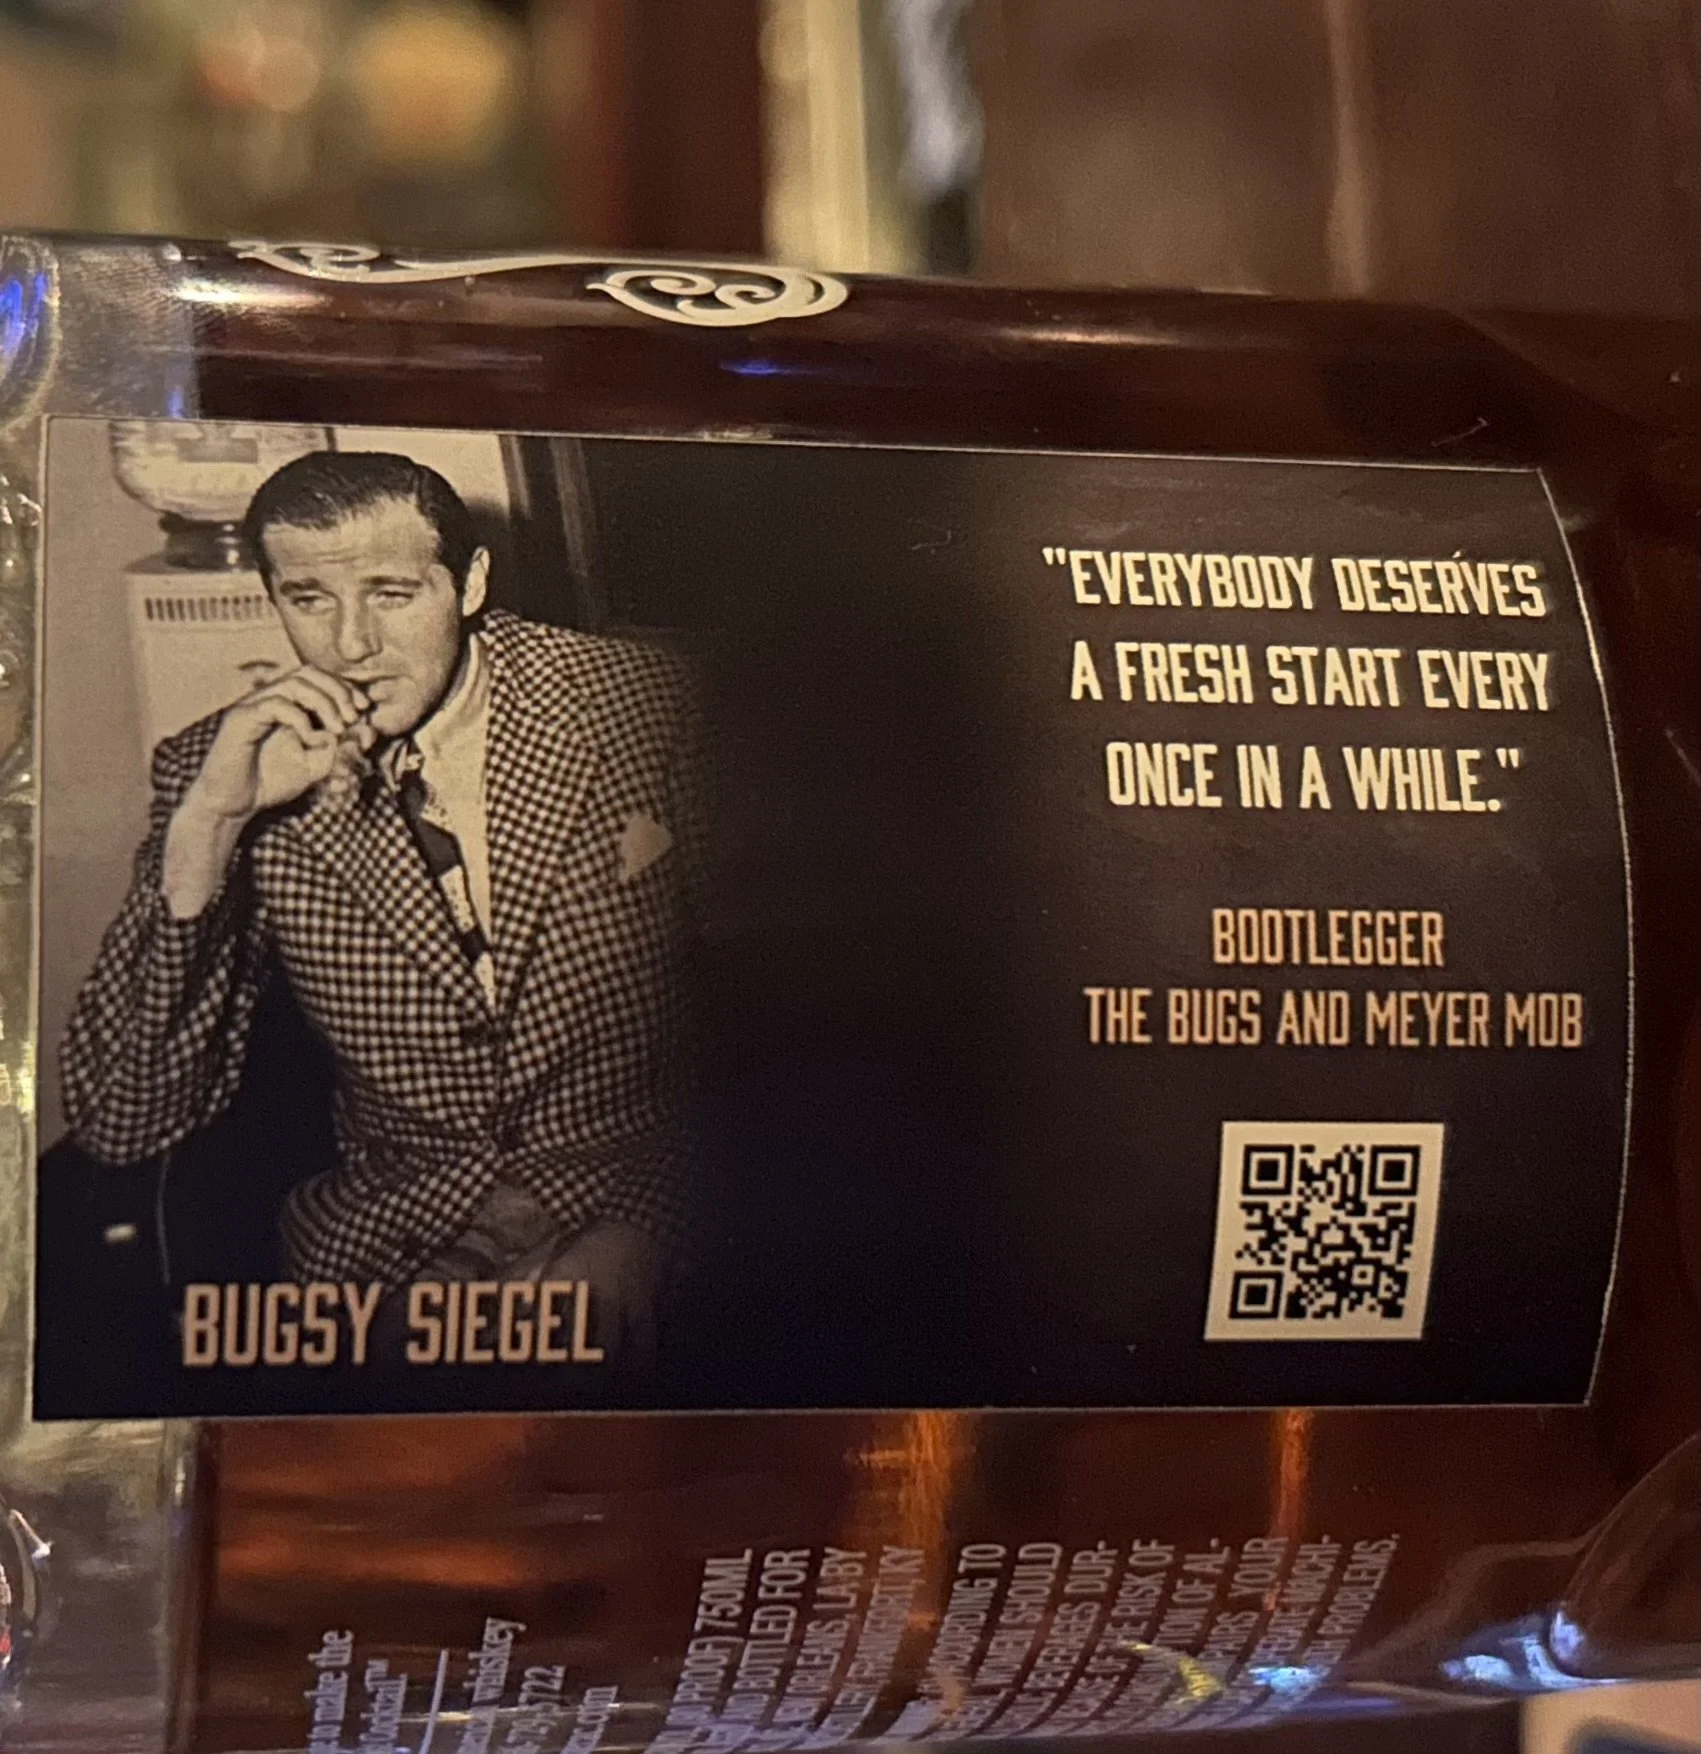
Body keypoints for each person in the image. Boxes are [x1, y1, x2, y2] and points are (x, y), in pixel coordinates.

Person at [61, 450, 702, 1362]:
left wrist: (641, 1230)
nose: (350, 645)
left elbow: (794, 1035)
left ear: (469, 583)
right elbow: (124, 1118)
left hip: (654, 1198)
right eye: (308, 599)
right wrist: (211, 827)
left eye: (391, 595)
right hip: (395, 1235)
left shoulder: (643, 704)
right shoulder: (222, 767)